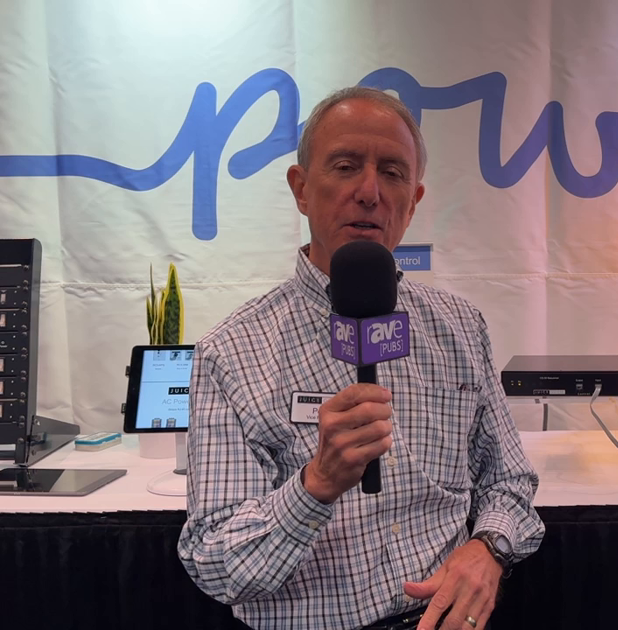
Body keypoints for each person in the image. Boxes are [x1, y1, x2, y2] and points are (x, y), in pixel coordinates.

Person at [177, 86, 545, 630]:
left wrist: (487, 548)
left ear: (413, 201)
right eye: (346, 166)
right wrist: (316, 484)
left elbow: (510, 481)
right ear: (301, 188)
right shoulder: (229, 354)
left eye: (392, 173)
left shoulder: (461, 328)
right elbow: (215, 562)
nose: (370, 192)